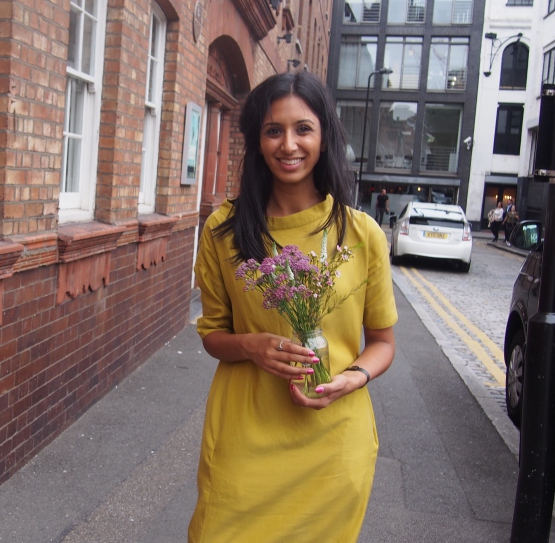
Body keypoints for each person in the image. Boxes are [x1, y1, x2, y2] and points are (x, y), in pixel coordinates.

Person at [189, 70, 398, 542]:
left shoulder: (361, 235)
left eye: (303, 128)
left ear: (324, 137)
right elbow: (213, 336)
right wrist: (251, 345)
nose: (289, 144)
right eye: (273, 130)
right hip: (245, 437)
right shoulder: (225, 229)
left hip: (334, 444)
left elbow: (383, 343)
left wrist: (353, 377)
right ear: (258, 142)